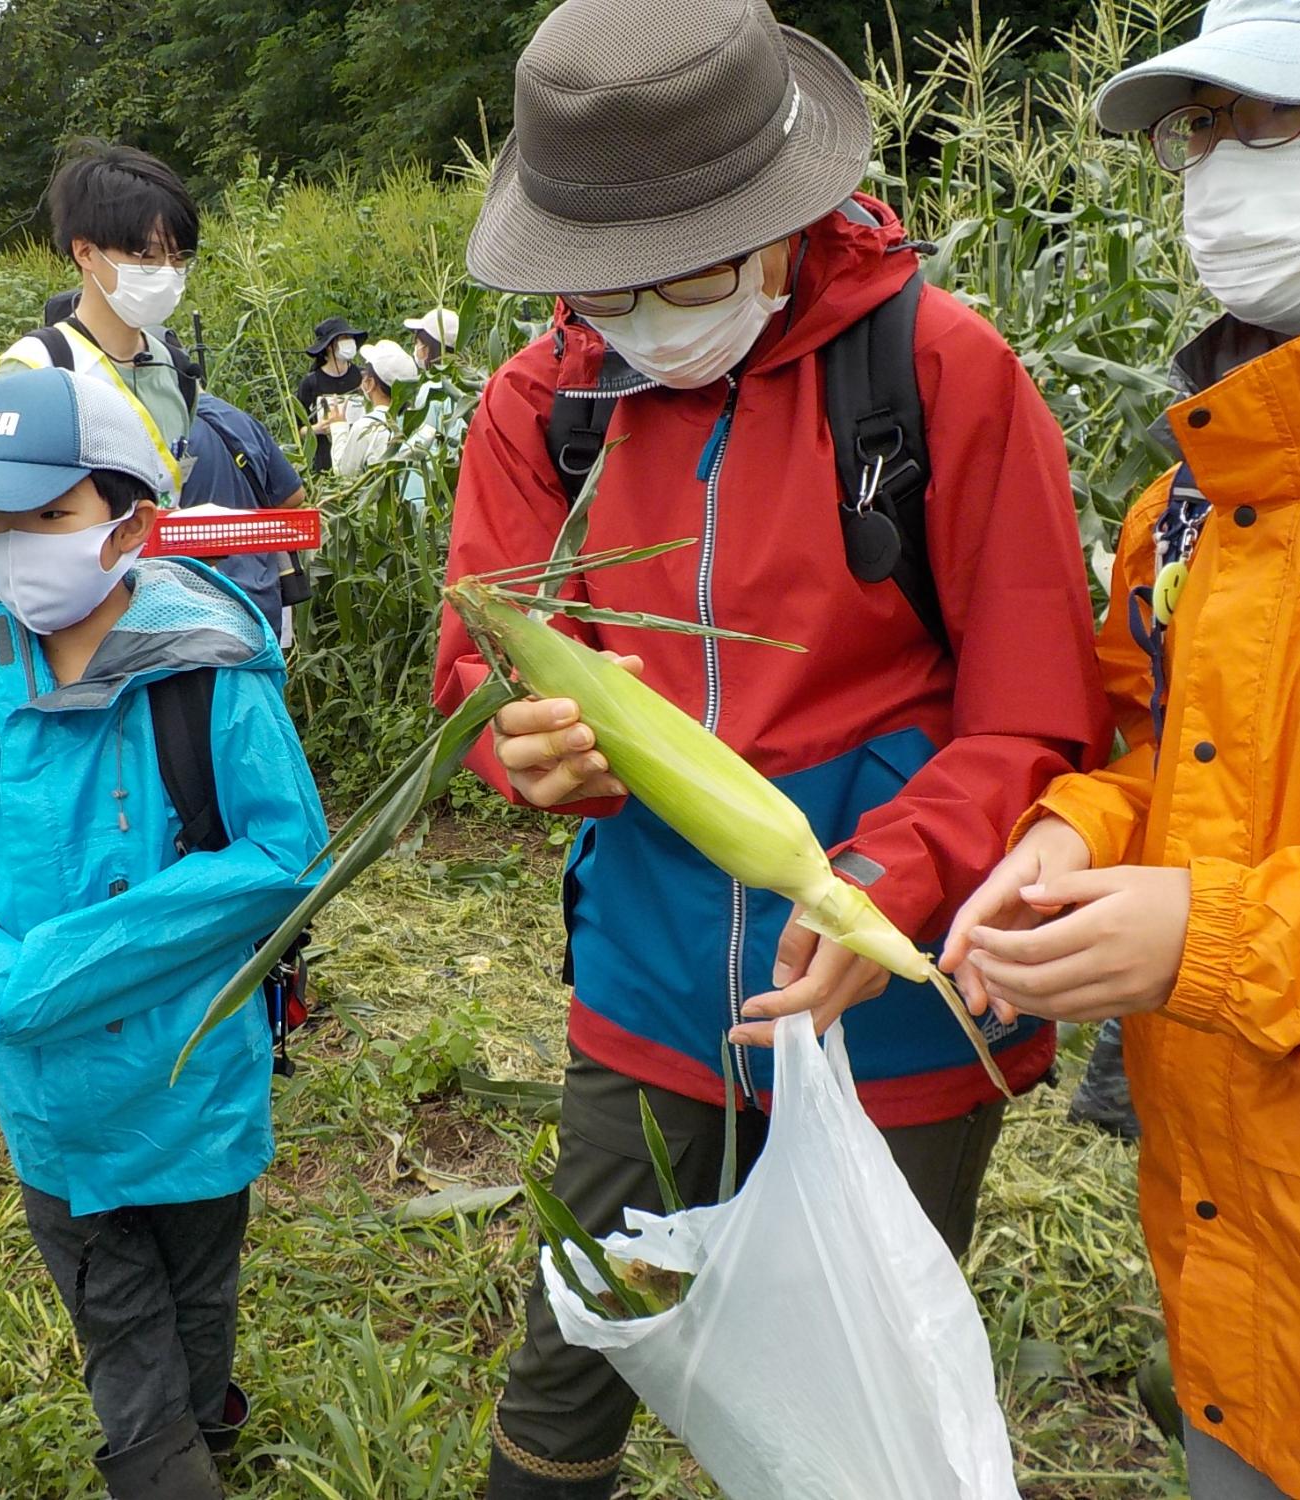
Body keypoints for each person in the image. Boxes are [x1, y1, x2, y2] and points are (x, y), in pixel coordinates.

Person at [435, 1, 1109, 1492]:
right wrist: (519, 747)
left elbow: (1037, 709)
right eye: (596, 287)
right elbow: (480, 658)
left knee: (863, 1365)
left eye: (671, 277)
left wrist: (888, 877)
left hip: (900, 980)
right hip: (653, 973)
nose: (630, 319)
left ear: (780, 216)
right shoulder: (542, 405)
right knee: (583, 1338)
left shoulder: (936, 370)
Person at [943, 8, 1300, 1496]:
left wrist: (1215, 944)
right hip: (1242, 1314)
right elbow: (1173, 762)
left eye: (1276, 122)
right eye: (1203, 128)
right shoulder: (1199, 502)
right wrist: (1079, 831)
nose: (1218, 167)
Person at [0, 366, 326, 1500]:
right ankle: (161, 1460)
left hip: (193, 1071)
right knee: (115, 1313)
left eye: (49, 515)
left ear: (126, 520)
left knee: (197, 1280)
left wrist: (45, 972)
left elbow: (282, 855)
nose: (17, 545)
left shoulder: (206, 678)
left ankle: (206, 1413)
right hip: (52, 1099)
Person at [0, 141, 198, 479]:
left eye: (178, 259)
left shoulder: (176, 371)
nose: (166, 272)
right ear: (85, 252)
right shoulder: (34, 369)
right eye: (147, 256)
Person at [178, 393, 307, 638]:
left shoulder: (159, 427)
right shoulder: (239, 419)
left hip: (196, 605)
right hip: (261, 598)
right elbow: (293, 495)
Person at [328, 340, 422, 479]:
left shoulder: (367, 426)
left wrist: (338, 427)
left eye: (365, 375)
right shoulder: (416, 420)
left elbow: (345, 473)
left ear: (370, 384)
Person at [295, 316, 365, 472]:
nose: (349, 341)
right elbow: (297, 430)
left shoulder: (363, 377)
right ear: (329, 346)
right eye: (343, 338)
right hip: (325, 466)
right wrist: (318, 428)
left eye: (350, 337)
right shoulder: (310, 384)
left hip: (359, 462)